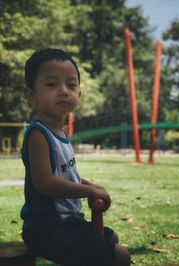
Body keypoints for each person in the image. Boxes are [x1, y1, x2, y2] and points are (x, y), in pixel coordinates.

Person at [20, 48, 131, 266]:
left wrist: (90, 185)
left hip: (69, 224)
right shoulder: (38, 135)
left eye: (71, 85)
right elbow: (45, 183)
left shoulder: (60, 134)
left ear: (78, 94)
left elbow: (65, 177)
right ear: (31, 96)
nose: (63, 91)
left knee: (111, 238)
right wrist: (89, 191)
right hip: (48, 229)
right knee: (121, 256)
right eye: (52, 84)